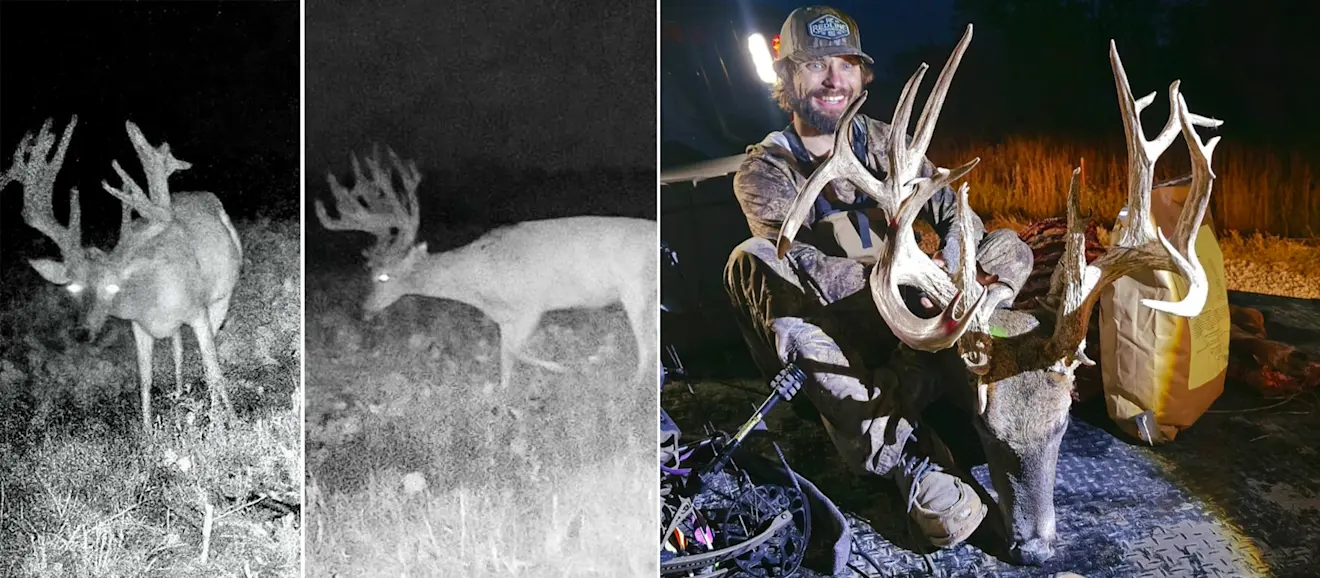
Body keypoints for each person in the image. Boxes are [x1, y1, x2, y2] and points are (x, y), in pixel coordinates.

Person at [723, 5, 1034, 549]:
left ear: (862, 75)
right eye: (815, 65)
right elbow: (804, 267)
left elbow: (952, 207)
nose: (832, 79)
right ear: (789, 79)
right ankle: (905, 455)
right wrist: (905, 282)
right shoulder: (765, 169)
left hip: (917, 321)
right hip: (834, 340)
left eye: (845, 64)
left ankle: (988, 380)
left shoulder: (889, 142)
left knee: (1006, 247)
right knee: (752, 260)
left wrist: (957, 263)